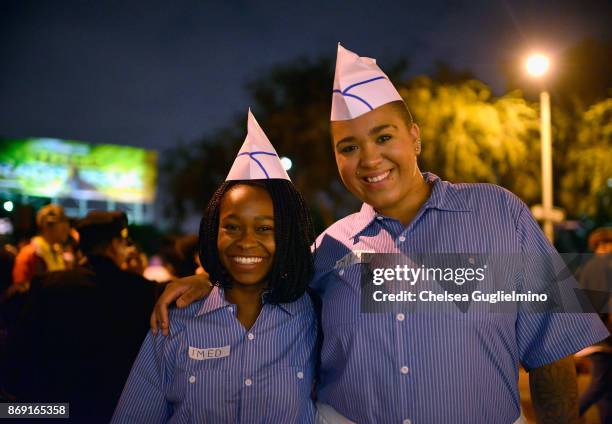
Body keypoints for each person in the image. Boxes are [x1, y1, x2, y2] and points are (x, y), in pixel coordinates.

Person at [151, 45, 609, 423]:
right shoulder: (329, 249)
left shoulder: (497, 213)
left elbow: (552, 344)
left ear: (414, 138)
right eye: (349, 147)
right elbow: (266, 287)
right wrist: (210, 282)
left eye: (384, 137)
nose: (369, 158)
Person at [113, 110, 319, 423]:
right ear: (214, 230)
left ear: (288, 235)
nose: (246, 242)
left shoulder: (313, 316)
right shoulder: (176, 320)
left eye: (265, 228)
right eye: (232, 227)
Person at [6, 211, 157, 423]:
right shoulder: (139, 290)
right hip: (112, 409)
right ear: (114, 245)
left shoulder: (47, 284)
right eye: (124, 242)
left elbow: (19, 348)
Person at [577, 227, 612, 422]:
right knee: (600, 384)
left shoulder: (587, 267)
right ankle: (566, 417)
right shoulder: (605, 265)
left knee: (606, 390)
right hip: (604, 335)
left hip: (591, 333)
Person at [11, 204, 70, 288]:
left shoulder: (57, 251)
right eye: (63, 223)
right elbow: (19, 288)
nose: (67, 229)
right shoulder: (29, 253)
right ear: (47, 225)